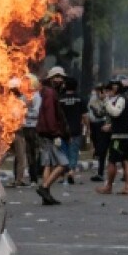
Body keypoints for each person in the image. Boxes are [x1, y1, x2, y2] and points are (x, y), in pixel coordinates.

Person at [34, 66, 71, 205]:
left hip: (44, 132)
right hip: (50, 133)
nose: (59, 79)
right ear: (50, 78)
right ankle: (44, 188)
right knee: (64, 163)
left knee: (48, 164)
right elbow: (50, 115)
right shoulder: (50, 93)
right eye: (56, 77)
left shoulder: (46, 91)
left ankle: (46, 196)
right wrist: (56, 134)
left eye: (61, 77)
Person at [96, 76, 128, 195]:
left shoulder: (121, 99)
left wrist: (106, 101)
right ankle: (127, 187)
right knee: (125, 160)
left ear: (116, 88)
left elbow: (116, 113)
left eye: (110, 89)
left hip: (119, 136)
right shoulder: (120, 99)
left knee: (112, 160)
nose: (108, 92)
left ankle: (109, 187)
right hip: (123, 134)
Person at [57, 76, 87, 179]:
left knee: (63, 152)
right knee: (73, 151)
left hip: (63, 130)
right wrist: (87, 129)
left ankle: (64, 172)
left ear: (65, 85)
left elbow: (57, 116)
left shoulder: (60, 99)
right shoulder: (80, 99)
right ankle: (71, 171)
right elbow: (85, 116)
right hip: (76, 130)